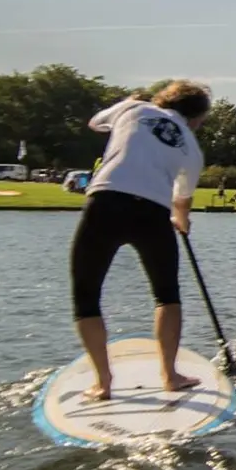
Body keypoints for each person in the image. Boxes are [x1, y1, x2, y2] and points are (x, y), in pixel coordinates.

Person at [69, 80, 209, 400]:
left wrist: (129, 100)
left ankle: (103, 383)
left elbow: (95, 123)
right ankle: (170, 376)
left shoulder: (133, 108)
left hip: (104, 205)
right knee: (167, 296)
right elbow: (182, 203)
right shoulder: (191, 147)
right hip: (153, 215)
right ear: (196, 118)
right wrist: (182, 223)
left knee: (86, 296)